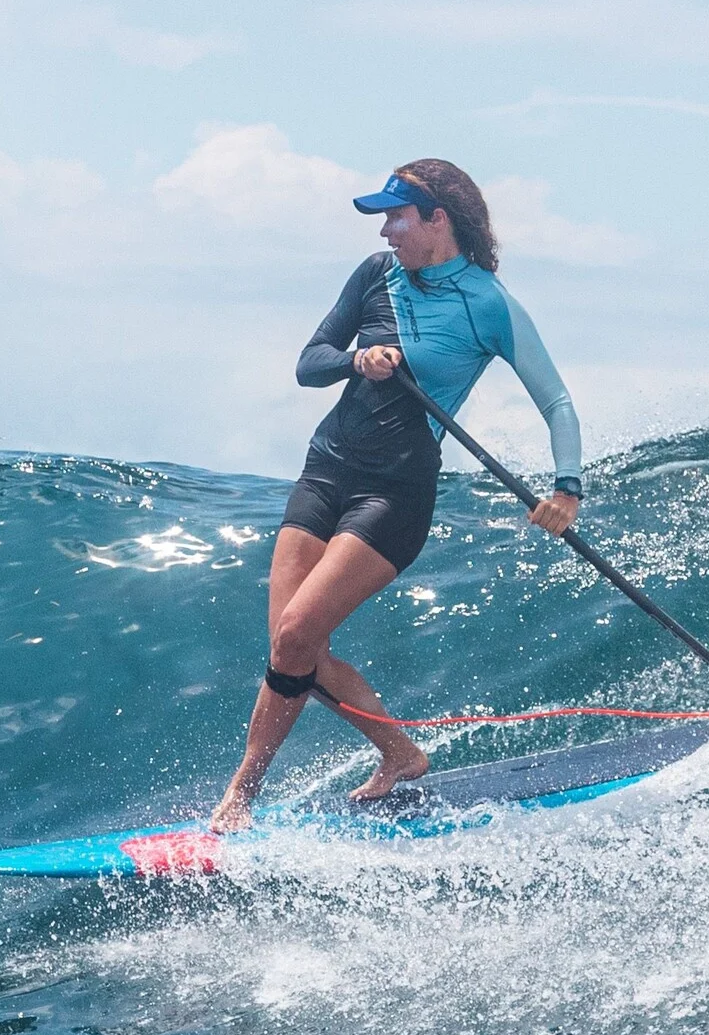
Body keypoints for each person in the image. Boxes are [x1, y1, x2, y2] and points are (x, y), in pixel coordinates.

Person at [210, 158, 582, 833]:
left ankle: (240, 795)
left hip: (395, 494)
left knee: (297, 634)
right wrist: (357, 358)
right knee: (291, 650)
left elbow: (555, 400)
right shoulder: (374, 275)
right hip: (324, 471)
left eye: (396, 217)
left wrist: (567, 488)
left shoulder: (488, 304)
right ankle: (400, 754)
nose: (385, 231)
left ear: (438, 220)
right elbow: (309, 364)